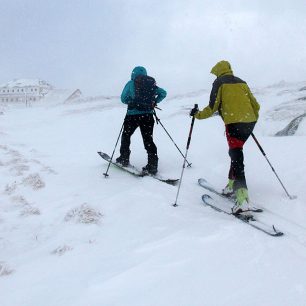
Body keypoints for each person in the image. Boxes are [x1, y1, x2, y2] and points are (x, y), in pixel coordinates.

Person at [190, 60, 260, 214]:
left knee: (236, 157)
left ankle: (242, 199)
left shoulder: (219, 82)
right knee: (235, 153)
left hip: (234, 124)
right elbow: (256, 105)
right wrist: (248, 118)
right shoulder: (241, 82)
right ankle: (231, 185)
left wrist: (197, 115)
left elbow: (212, 107)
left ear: (218, 72)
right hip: (249, 123)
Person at [116, 66, 167, 175]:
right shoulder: (150, 84)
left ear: (133, 74)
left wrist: (131, 101)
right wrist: (155, 102)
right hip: (148, 116)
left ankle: (124, 159)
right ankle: (152, 166)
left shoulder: (131, 83)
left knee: (126, 136)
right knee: (148, 139)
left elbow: (123, 98)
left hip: (132, 116)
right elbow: (163, 93)